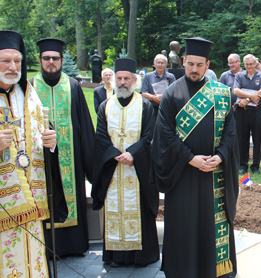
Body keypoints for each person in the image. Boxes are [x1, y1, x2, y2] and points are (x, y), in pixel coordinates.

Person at [151, 37, 239, 277]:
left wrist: (220, 157)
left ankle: (215, 269)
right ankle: (183, 270)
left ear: (207, 65)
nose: (194, 69)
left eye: (200, 65)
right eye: (190, 64)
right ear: (183, 61)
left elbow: (231, 131)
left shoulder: (221, 93)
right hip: (183, 174)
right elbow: (165, 134)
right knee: (184, 225)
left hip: (214, 175)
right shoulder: (171, 93)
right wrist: (191, 158)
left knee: (212, 224)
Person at [0, 30, 64, 278]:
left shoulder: (29, 95)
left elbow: (43, 134)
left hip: (33, 199)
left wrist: (52, 142)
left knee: (34, 259)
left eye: (17, 60)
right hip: (5, 203)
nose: (13, 66)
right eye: (5, 60)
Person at [31, 38, 95, 258]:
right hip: (39, 161)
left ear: (61, 60)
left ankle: (73, 246)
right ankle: (45, 247)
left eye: (55, 58)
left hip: (71, 159)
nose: (51, 62)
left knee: (71, 197)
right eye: (46, 58)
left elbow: (86, 127)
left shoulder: (73, 87)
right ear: (40, 60)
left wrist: (90, 164)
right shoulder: (30, 87)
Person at [91, 58, 159, 266]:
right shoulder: (105, 105)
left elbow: (150, 135)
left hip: (137, 169)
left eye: (126, 78)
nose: (122, 82)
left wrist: (133, 154)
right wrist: (114, 154)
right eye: (119, 78)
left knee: (139, 208)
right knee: (114, 207)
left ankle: (143, 257)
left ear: (134, 80)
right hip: (113, 169)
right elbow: (100, 135)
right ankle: (115, 256)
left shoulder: (145, 105)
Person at [233, 54, 261, 174]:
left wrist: (247, 99)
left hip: (256, 112)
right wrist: (251, 96)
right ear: (244, 64)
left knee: (257, 139)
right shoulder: (239, 75)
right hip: (242, 112)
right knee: (242, 139)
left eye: (251, 64)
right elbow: (236, 90)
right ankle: (243, 165)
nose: (249, 66)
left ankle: (255, 166)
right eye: (247, 64)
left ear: (255, 64)